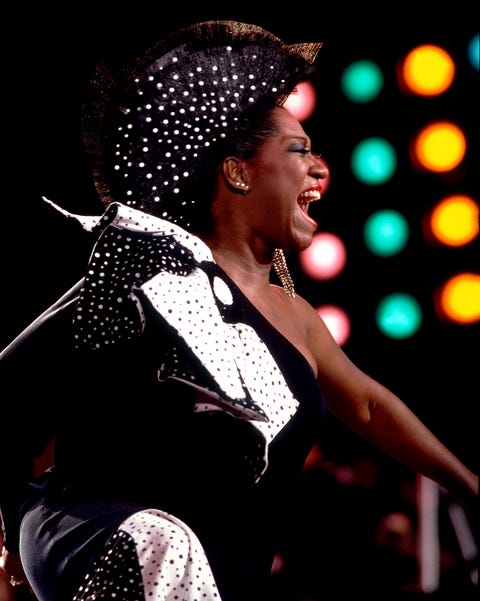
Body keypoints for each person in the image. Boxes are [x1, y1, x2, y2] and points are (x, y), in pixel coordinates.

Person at [0, 19, 477, 601]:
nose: (321, 169)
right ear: (238, 171)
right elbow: (16, 381)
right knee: (166, 547)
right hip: (105, 536)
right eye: (299, 150)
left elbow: (372, 408)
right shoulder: (154, 271)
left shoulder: (297, 317)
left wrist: (471, 484)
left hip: (225, 579)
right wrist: (11, 525)